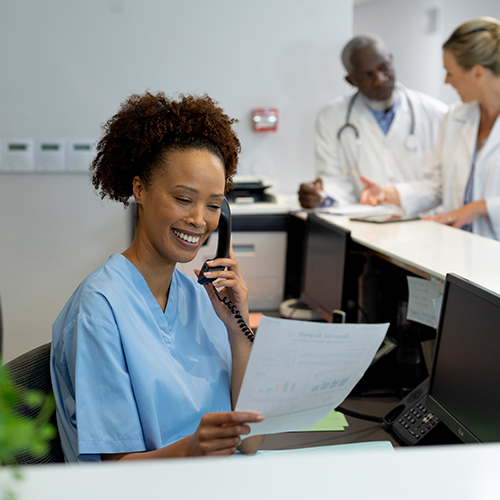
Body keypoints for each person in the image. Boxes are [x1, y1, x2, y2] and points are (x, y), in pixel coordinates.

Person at [50, 92, 265, 463]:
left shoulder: (202, 297)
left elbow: (250, 442)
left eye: (214, 206)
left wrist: (238, 328)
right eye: (184, 199)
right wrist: (193, 449)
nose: (200, 220)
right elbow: (116, 473)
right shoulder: (100, 310)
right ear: (140, 190)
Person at [361, 17, 500, 241]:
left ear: (478, 73)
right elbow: (436, 186)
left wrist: (482, 207)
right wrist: (389, 193)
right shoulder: (456, 118)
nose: (446, 81)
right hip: (459, 251)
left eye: (450, 72)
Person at [298, 34, 447, 208]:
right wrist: (320, 196)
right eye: (367, 75)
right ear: (351, 80)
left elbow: (441, 184)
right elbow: (334, 180)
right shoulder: (331, 116)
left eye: (384, 67)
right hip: (365, 222)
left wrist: (395, 195)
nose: (380, 79)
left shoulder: (437, 113)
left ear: (392, 60)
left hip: (423, 222)